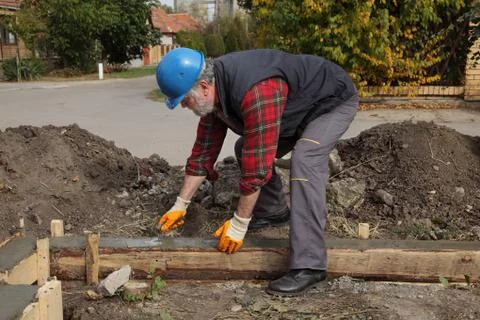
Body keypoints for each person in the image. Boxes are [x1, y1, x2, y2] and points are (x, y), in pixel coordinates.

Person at [155, 47, 358, 296]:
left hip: (331, 100)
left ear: (204, 87)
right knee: (244, 146)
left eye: (185, 100)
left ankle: (310, 265)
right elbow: (203, 153)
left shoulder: (256, 90)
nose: (185, 107)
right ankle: (273, 211)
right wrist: (180, 204)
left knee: (305, 160)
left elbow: (257, 165)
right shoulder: (215, 94)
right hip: (298, 107)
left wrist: (240, 223)